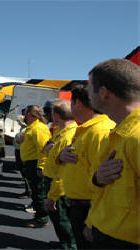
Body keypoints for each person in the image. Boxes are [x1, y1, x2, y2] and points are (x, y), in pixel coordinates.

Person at [83, 59, 140, 249]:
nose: (87, 93)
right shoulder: (117, 133)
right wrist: (98, 179)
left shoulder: (136, 137)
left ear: (104, 92)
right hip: (107, 233)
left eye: (90, 87)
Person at [55, 83, 116, 249]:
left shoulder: (99, 132)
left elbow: (105, 183)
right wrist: (60, 157)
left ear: (78, 104)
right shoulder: (87, 130)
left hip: (88, 208)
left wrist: (92, 221)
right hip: (80, 205)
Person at [43, 100, 77, 249]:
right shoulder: (62, 132)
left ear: (56, 115)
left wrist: (53, 196)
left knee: (62, 221)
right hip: (56, 183)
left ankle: (68, 246)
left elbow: (63, 173)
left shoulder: (66, 138)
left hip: (58, 187)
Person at [16, 105, 51, 228]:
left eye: (25, 114)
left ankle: (42, 219)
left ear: (30, 115)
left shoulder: (38, 128)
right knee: (35, 192)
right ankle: (39, 216)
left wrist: (41, 166)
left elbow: (43, 149)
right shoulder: (31, 127)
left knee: (39, 192)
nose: (23, 116)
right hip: (30, 163)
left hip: (35, 163)